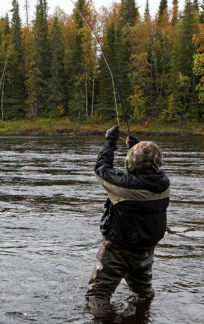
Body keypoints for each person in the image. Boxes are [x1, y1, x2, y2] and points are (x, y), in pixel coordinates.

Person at [85, 125, 170, 317]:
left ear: (132, 163)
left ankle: (103, 320)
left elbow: (101, 169)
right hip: (145, 251)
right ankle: (142, 316)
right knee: (143, 293)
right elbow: (147, 168)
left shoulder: (125, 187)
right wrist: (137, 147)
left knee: (98, 295)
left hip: (117, 250)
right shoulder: (164, 184)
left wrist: (110, 142)